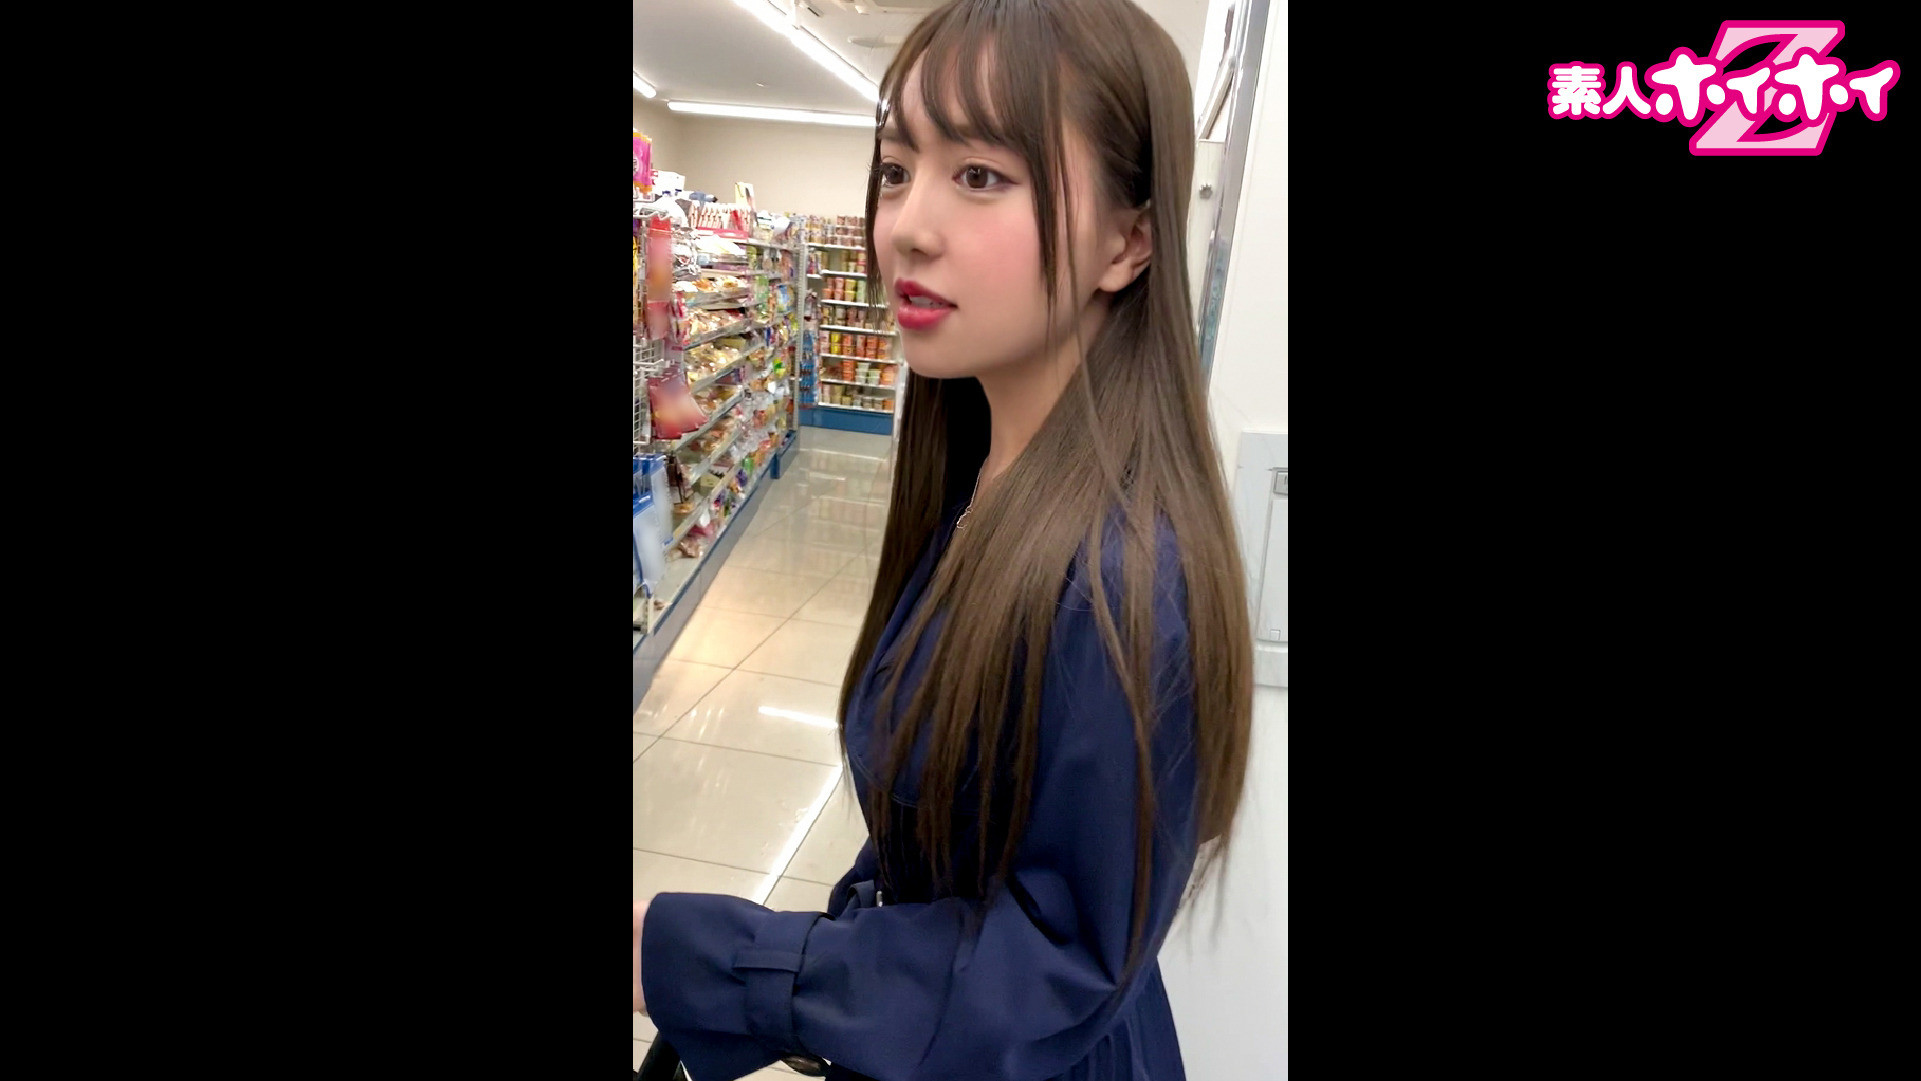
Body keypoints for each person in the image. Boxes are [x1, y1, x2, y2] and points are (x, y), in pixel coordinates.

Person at [635, 1, 1254, 1077]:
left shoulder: (1115, 582)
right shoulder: (984, 483)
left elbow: (1046, 969)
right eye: (894, 169)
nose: (906, 227)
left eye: (980, 174)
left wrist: (713, 960)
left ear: (1127, 240)